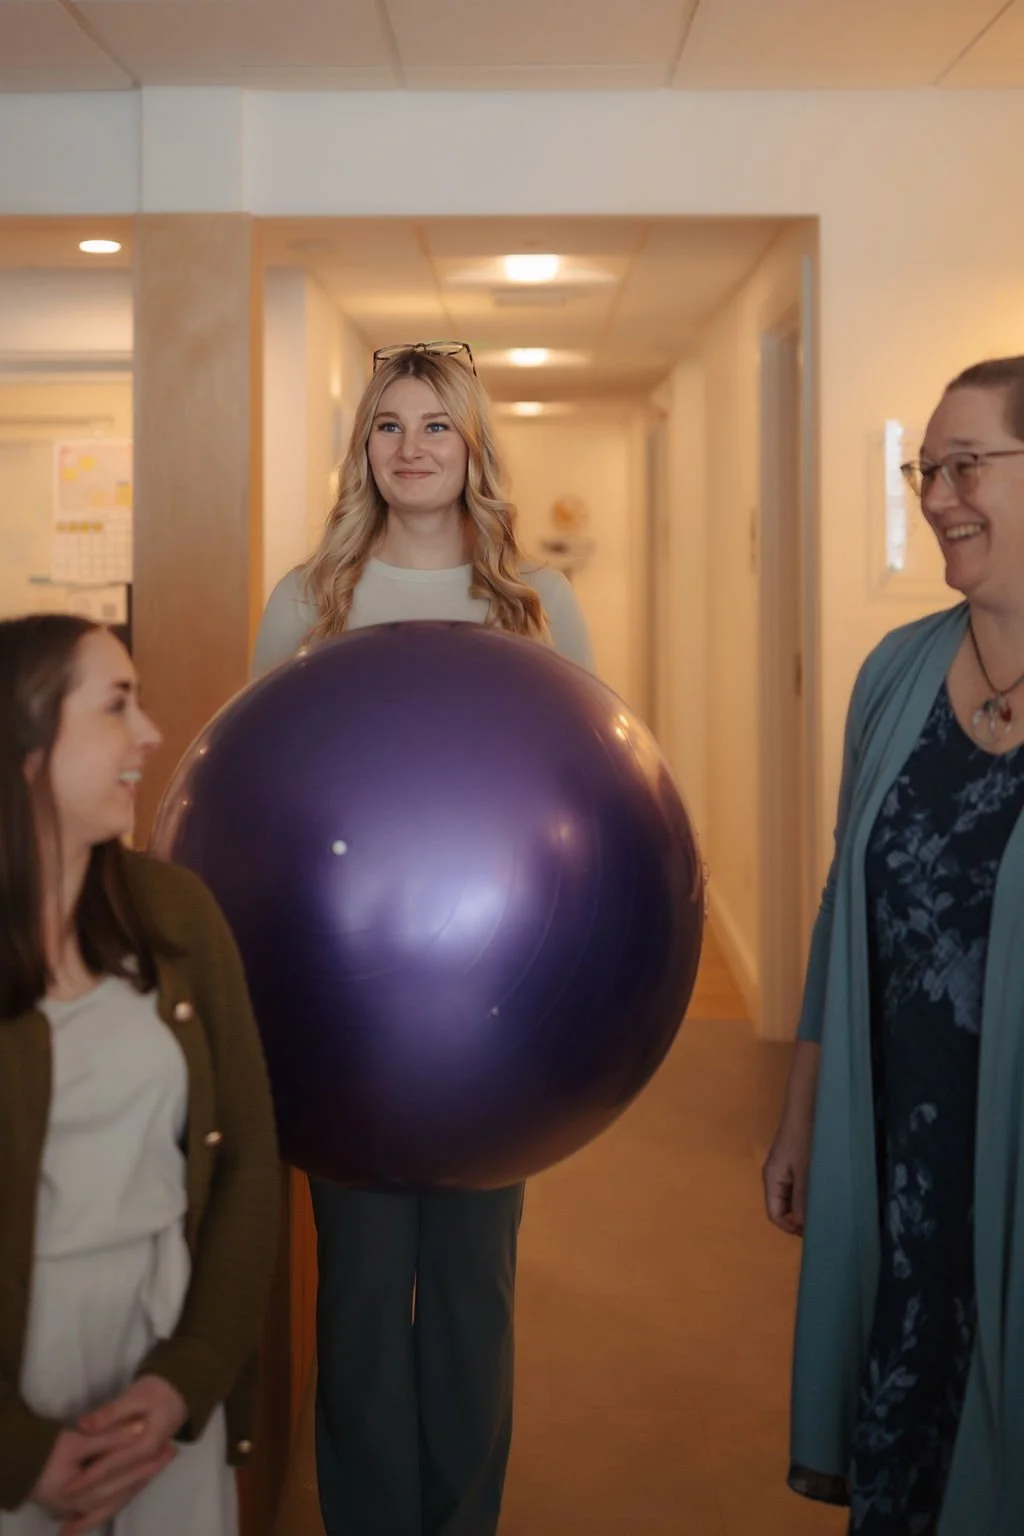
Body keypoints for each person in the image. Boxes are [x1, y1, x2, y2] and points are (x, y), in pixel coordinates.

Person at [252, 340, 595, 1536]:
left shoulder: (533, 605)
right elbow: (265, 803)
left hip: (491, 1012)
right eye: (389, 426)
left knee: (467, 1295)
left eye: (436, 426)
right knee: (353, 1295)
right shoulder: (309, 602)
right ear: (365, 451)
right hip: (343, 1008)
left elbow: (583, 801)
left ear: (472, 449)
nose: (411, 448)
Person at [763, 355, 1024, 1534]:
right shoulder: (896, 673)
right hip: (906, 1164)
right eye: (928, 470)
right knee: (908, 1449)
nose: (935, 496)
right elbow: (842, 905)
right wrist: (804, 1108)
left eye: (966, 465)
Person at [0, 615, 280, 1536]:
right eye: (117, 706)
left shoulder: (175, 912)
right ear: (28, 742)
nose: (151, 734)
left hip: (161, 1368)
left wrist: (186, 1378)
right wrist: (17, 1449)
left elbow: (245, 1157)